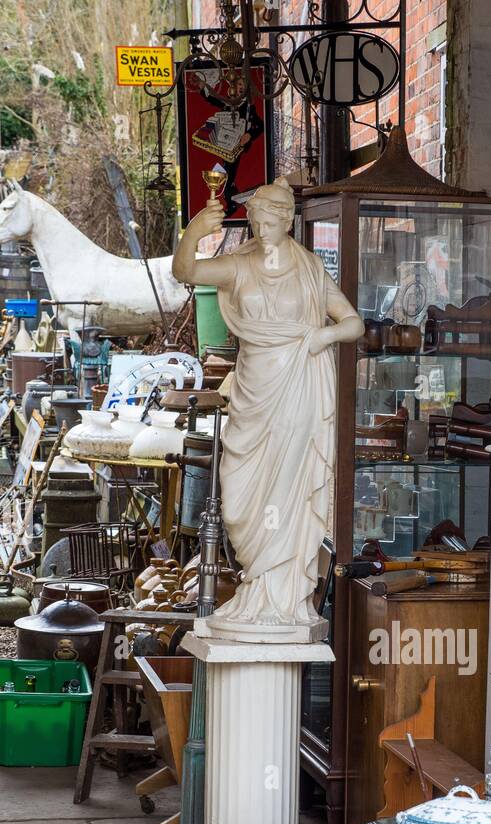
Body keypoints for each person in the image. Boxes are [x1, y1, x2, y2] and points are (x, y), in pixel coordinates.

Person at [172, 177, 363, 636]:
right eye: (255, 220)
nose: (260, 228)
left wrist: (322, 336)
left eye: (268, 219)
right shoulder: (238, 265)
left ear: (287, 221)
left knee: (289, 489)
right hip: (255, 388)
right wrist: (195, 231)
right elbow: (188, 272)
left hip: (299, 385)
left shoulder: (312, 269)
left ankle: (283, 596)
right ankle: (256, 583)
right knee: (239, 498)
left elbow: (353, 323)